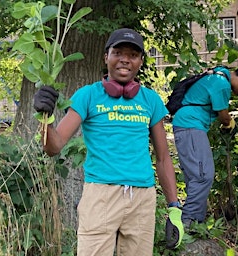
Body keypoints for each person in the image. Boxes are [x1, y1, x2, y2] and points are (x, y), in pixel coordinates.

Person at [33, 28, 183, 255]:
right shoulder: (88, 95)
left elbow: (163, 158)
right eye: (118, 52)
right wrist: (46, 119)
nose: (125, 59)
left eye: (132, 55)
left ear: (141, 61)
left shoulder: (150, 100)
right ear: (106, 57)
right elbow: (54, 147)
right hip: (101, 195)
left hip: (142, 198)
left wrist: (174, 207)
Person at [170, 64, 238, 228]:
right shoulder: (222, 83)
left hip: (187, 125)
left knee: (195, 176)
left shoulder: (218, 75)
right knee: (203, 175)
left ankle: (196, 223)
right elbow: (224, 116)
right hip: (191, 126)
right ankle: (186, 223)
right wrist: (229, 123)